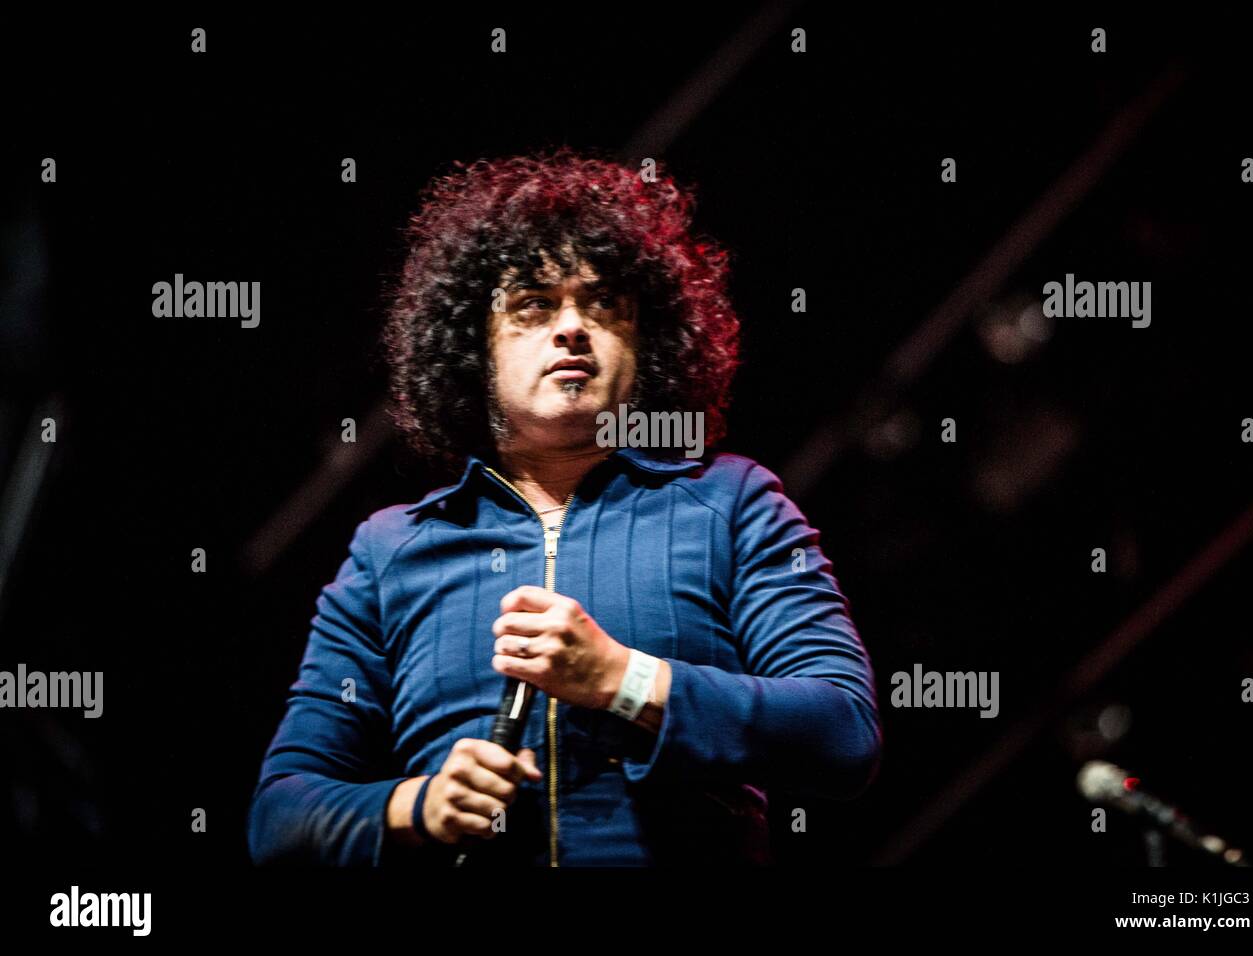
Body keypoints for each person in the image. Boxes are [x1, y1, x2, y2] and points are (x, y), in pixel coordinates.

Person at [246, 147, 881, 866]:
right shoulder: (391, 550)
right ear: (473, 351)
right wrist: (415, 804)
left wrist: (623, 680)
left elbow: (843, 732)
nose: (572, 327)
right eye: (533, 305)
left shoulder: (730, 503)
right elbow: (280, 818)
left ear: (650, 348)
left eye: (605, 303)